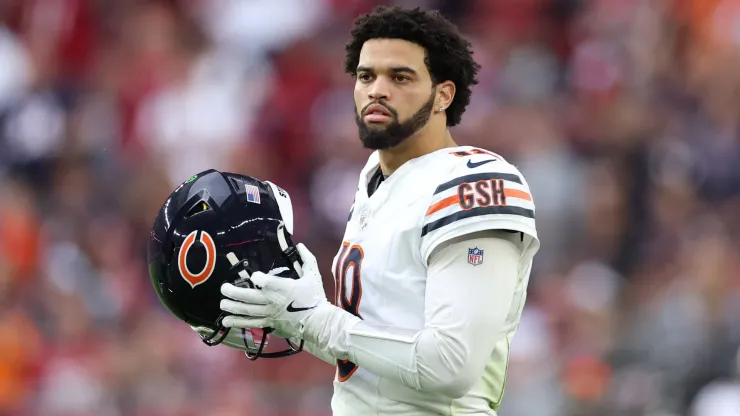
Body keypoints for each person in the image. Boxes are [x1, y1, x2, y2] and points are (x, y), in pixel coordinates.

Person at [218, 6, 540, 415]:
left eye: (400, 77)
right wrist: (284, 316)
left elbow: (450, 365)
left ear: (444, 94)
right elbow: (370, 360)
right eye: (366, 76)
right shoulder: (375, 179)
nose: (377, 90)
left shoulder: (474, 182)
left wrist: (318, 321)